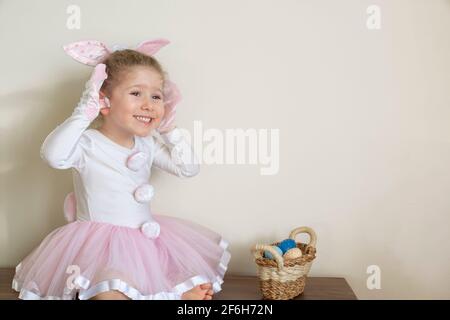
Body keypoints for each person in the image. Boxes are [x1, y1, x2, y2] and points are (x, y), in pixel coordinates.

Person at [12, 39, 230, 300]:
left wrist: (170, 131)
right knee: (109, 293)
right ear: (104, 101)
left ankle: (169, 295)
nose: (149, 104)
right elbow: (52, 156)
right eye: (136, 93)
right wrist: (83, 113)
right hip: (96, 247)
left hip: (145, 244)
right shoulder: (88, 143)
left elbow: (188, 169)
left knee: (145, 282)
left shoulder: (147, 144)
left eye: (157, 96)